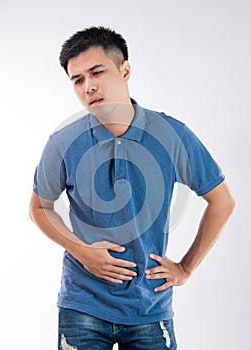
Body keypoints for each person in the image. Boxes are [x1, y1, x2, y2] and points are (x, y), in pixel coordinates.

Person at [29, 26, 235, 350]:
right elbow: (40, 206)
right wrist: (83, 253)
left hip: (149, 309)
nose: (89, 87)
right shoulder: (63, 142)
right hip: (81, 307)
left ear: (125, 70)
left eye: (97, 72)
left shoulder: (170, 134)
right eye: (77, 80)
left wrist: (185, 268)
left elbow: (221, 200)